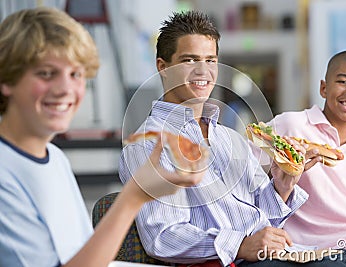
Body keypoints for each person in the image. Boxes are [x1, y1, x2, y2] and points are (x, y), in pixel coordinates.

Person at [0, 7, 204, 267]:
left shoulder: (55, 159)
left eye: (75, 74)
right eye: (47, 73)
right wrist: (135, 196)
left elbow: (83, 255)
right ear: (6, 79)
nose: (65, 90)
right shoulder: (4, 173)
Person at [118, 10, 320, 267]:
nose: (203, 71)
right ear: (163, 67)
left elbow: (263, 216)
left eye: (211, 60)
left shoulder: (230, 138)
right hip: (231, 263)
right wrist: (241, 245)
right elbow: (163, 236)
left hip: (274, 256)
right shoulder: (147, 145)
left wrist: (283, 185)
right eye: (190, 60)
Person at [263, 50, 346, 264]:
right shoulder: (290, 126)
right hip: (310, 249)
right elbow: (246, 181)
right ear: (324, 88)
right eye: (344, 81)